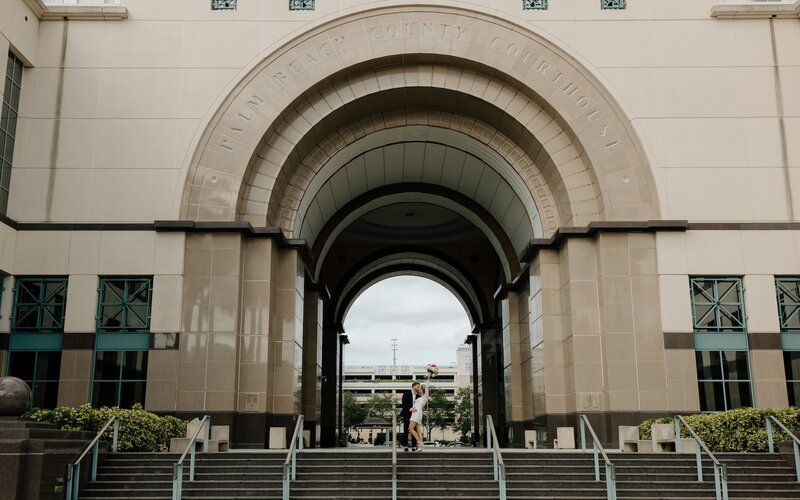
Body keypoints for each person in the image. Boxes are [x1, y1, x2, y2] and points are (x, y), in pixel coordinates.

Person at [407, 372, 432, 451]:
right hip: (416, 413)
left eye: (420, 388)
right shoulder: (419, 397)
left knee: (410, 428)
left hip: (416, 414)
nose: (419, 389)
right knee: (418, 429)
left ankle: (419, 443)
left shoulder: (425, 397)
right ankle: (421, 446)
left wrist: (428, 377)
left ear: (423, 390)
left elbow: (427, 386)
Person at [400, 381, 421, 451]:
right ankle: (405, 445)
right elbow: (403, 403)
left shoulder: (418, 396)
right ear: (413, 386)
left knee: (414, 430)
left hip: (415, 415)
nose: (419, 388)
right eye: (418, 387)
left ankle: (414, 446)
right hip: (407, 414)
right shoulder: (406, 393)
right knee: (406, 430)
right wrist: (410, 409)